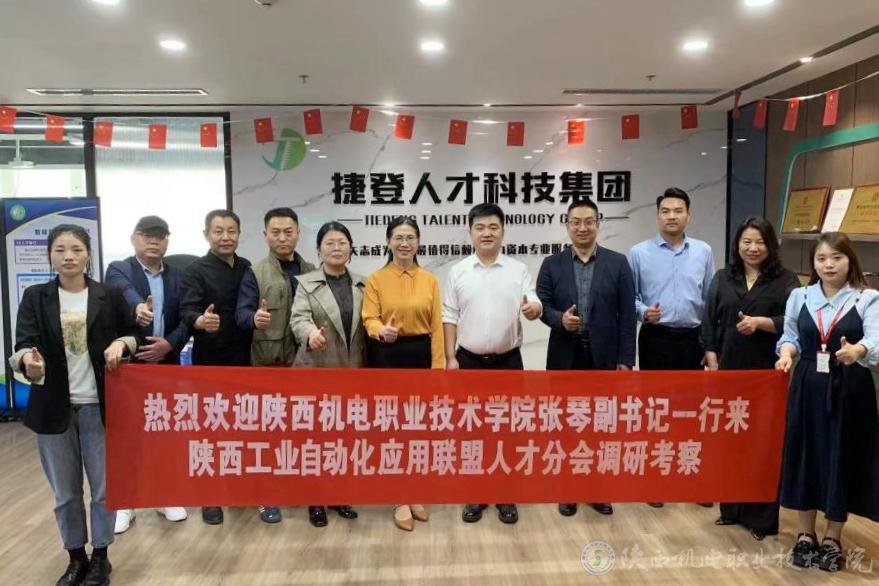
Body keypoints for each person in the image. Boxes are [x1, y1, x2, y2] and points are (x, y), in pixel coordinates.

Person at [9, 224, 141, 586]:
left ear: (88, 255)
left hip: (100, 407)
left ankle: (100, 557)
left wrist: (122, 345)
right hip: (53, 408)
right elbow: (22, 345)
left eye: (77, 249)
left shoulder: (109, 295)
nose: (69, 256)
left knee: (103, 489)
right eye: (60, 250)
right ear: (50, 255)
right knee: (66, 493)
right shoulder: (36, 297)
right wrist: (28, 361)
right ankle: (75, 558)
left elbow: (134, 334)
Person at [775, 232, 879, 572]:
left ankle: (833, 536)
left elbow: (876, 339)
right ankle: (805, 533)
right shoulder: (800, 295)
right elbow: (790, 335)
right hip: (807, 385)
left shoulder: (866, 298)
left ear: (850, 260)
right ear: (813, 263)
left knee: (841, 455)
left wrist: (858, 350)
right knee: (805, 454)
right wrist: (786, 354)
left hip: (850, 387)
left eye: (836, 257)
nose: (829, 265)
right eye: (821, 258)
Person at [443, 203, 542, 525]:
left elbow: (533, 301)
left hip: (508, 362)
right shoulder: (458, 271)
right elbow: (449, 316)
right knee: (471, 431)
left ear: (502, 231)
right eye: (480, 227)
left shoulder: (518, 269)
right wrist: (450, 358)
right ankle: (475, 494)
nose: (487, 233)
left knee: (508, 432)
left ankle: (505, 494)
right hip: (468, 362)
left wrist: (534, 309)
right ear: (470, 232)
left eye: (493, 227)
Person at [702, 217, 799, 540]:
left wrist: (761, 322)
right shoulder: (723, 277)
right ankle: (731, 509)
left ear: (771, 245)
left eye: (760, 242)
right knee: (731, 442)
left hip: (767, 373)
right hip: (729, 370)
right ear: (737, 244)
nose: (753, 248)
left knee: (763, 445)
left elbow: (794, 321)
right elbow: (709, 318)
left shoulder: (786, 280)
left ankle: (761, 518)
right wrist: (710, 353)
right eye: (746, 241)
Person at [537, 198, 635, 518]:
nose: (582, 227)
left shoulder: (618, 263)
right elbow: (542, 305)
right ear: (567, 226)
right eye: (576, 222)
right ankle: (568, 489)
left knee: (601, 426)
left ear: (597, 224)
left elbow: (627, 315)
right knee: (566, 426)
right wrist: (559, 320)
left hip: (604, 358)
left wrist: (626, 359)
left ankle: (598, 490)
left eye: (588, 221)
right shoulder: (552, 264)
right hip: (565, 356)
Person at [627, 187, 716, 509]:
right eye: (665, 211)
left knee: (692, 411)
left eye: (678, 211)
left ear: (688, 215)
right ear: (657, 216)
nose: (672, 216)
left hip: (692, 338)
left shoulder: (703, 251)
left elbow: (709, 300)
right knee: (656, 411)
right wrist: (642, 312)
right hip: (656, 337)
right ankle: (656, 481)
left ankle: (692, 480)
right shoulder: (639, 253)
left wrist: (709, 344)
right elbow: (630, 297)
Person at [104, 215, 190, 533]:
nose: (153, 241)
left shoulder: (178, 276)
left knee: (164, 435)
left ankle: (164, 495)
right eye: (146, 235)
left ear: (167, 241)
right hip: (128, 367)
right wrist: (138, 307)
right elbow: (124, 291)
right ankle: (126, 502)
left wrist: (169, 344)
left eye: (160, 236)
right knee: (128, 437)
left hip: (166, 366)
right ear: (133, 238)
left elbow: (187, 317)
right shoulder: (119, 269)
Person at [362, 216, 444, 531]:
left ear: (418, 242)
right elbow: (369, 318)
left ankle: (414, 490)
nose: (404, 243)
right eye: (398, 237)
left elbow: (437, 327)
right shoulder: (376, 279)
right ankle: (398, 497)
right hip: (387, 355)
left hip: (420, 355)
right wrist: (380, 330)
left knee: (418, 429)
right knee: (392, 430)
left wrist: (438, 368)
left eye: (410, 237)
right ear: (388, 242)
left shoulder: (429, 280)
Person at [234, 207, 315, 524]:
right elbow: (241, 314)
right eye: (276, 232)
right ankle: (264, 495)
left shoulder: (311, 270)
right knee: (267, 436)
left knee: (302, 433)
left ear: (298, 234)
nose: (283, 238)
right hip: (267, 366)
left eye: (288, 232)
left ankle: (299, 489)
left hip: (305, 366)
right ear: (265, 235)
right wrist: (254, 318)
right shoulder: (254, 272)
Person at [179, 209, 252, 526]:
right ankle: (210, 496)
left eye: (231, 231)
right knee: (211, 432)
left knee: (241, 429)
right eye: (218, 231)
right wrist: (200, 320)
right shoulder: (195, 271)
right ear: (206, 234)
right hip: (210, 361)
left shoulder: (247, 267)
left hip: (245, 360)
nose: (225, 237)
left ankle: (237, 488)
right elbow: (186, 310)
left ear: (239, 234)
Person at [290, 221, 363, 527]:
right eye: (330, 243)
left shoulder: (363, 284)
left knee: (344, 439)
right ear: (318, 250)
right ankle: (315, 499)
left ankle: (339, 495)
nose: (336, 248)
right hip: (316, 370)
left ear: (351, 248)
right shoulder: (306, 283)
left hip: (352, 373)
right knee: (316, 439)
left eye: (342, 242)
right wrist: (309, 334)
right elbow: (298, 318)